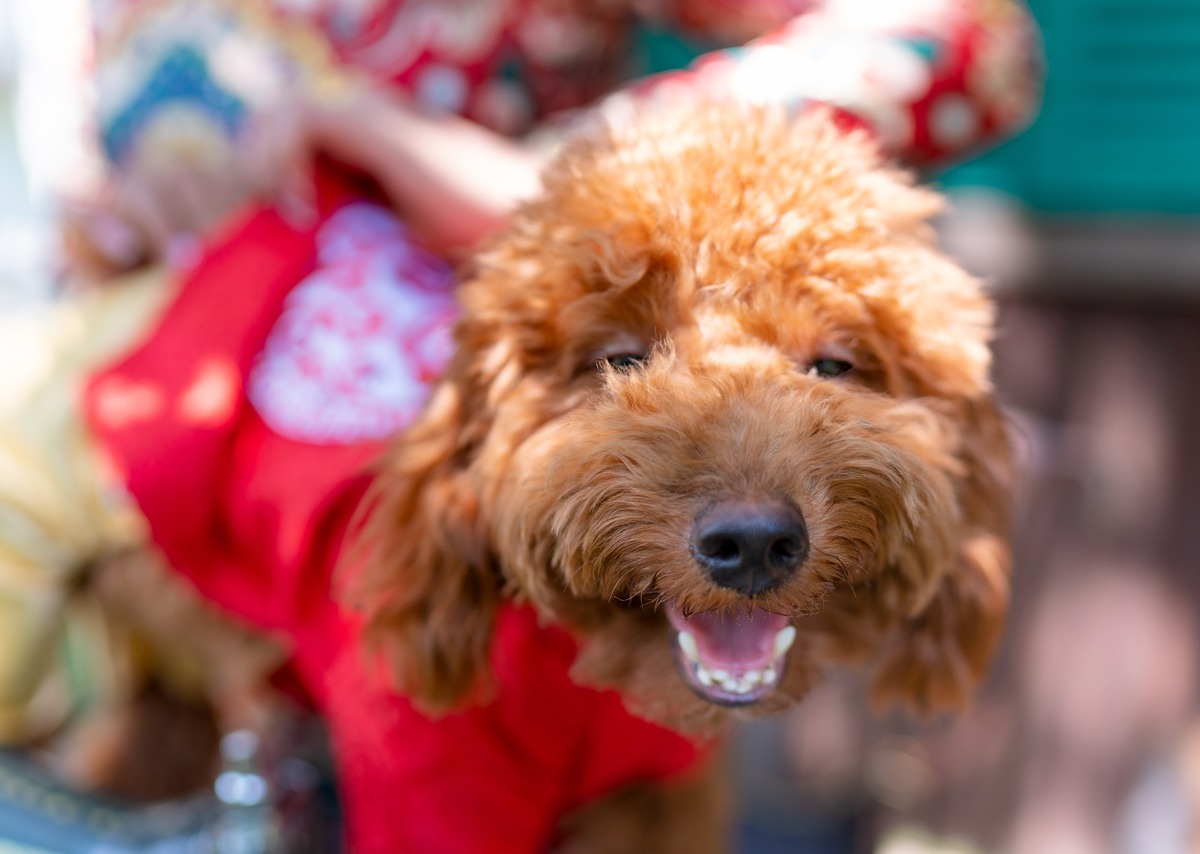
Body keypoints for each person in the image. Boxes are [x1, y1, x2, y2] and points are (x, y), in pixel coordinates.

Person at [1, 0, 1042, 848]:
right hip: (199, 389)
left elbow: (966, 35)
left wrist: (572, 165)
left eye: (830, 362)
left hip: (527, 316)